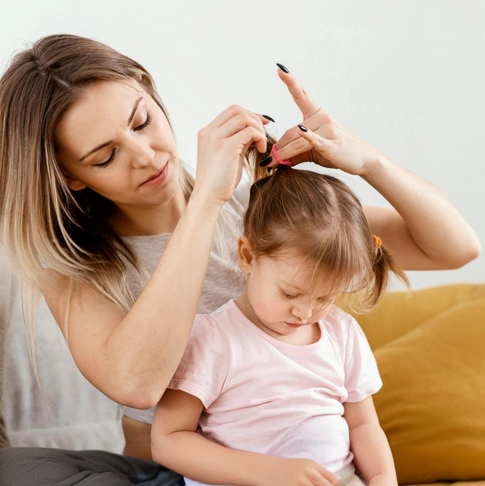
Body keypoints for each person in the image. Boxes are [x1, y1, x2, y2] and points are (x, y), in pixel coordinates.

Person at [0, 33, 480, 485]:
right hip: (172, 472)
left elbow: (457, 249)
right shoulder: (71, 262)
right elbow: (136, 385)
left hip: (299, 453)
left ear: (152, 94)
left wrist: (367, 161)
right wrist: (205, 202)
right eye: (104, 156)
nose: (146, 155)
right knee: (16, 470)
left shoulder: (260, 212)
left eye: (142, 121)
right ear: (69, 175)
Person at [151, 148, 406, 486]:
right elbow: (168, 440)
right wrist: (269, 473)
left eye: (325, 298)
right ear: (247, 255)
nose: (305, 313)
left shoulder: (341, 333)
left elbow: (363, 425)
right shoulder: (214, 338)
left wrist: (382, 478)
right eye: (289, 293)